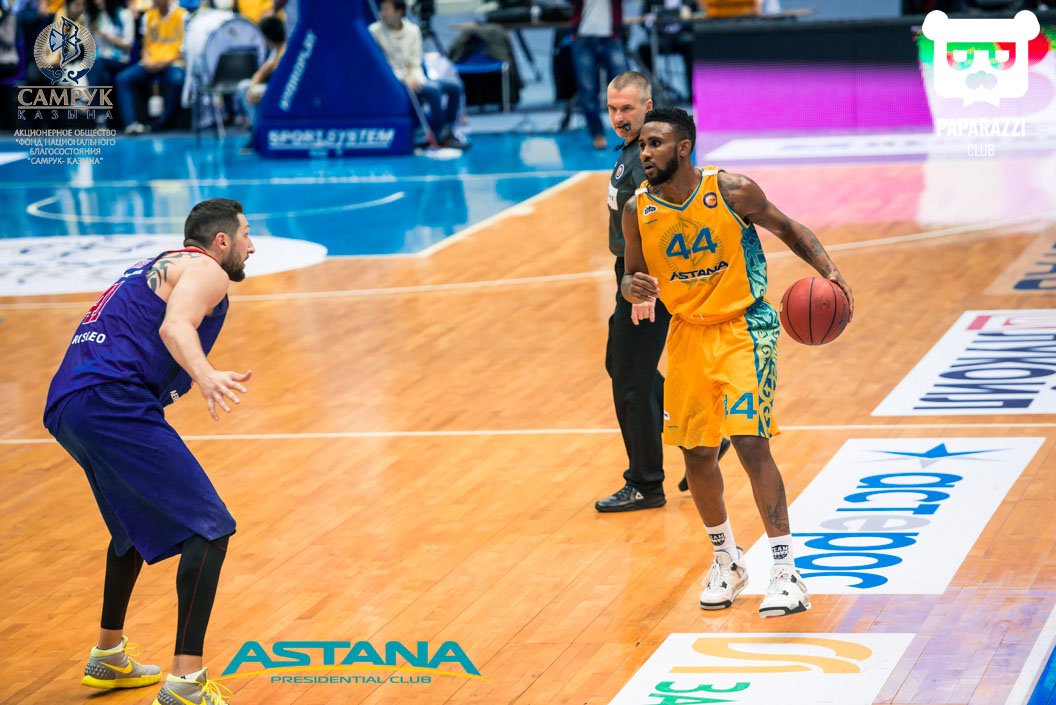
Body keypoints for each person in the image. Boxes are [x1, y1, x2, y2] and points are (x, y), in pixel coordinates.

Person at [620, 108, 853, 617]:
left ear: (684, 147)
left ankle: (786, 572)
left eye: (655, 143)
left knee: (749, 441)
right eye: (642, 145)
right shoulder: (637, 208)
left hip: (745, 328)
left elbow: (789, 229)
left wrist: (831, 273)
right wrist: (631, 287)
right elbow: (633, 275)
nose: (645, 152)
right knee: (697, 454)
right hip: (686, 334)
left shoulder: (731, 190)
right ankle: (727, 560)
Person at [43, 198, 256, 704]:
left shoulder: (157, 265)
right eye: (246, 234)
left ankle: (109, 656)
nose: (252, 246)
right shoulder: (207, 269)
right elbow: (174, 326)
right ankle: (186, 683)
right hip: (111, 401)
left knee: (129, 530)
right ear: (221, 240)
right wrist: (206, 376)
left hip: (69, 404)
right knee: (210, 529)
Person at [595, 71, 730, 513]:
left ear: (647, 107)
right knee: (622, 366)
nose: (619, 116)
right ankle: (703, 435)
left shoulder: (649, 160)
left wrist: (647, 289)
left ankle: (645, 483)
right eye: (612, 108)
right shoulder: (630, 150)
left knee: (631, 381)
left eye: (627, 108)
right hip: (632, 273)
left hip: (646, 278)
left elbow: (668, 222)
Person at [369, 0, 468, 150]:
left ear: (399, 12)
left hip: (416, 77)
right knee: (434, 90)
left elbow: (416, 62)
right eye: (381, 9)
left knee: (455, 85)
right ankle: (439, 134)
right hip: (394, 81)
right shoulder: (374, 31)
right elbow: (381, 65)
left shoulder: (413, 30)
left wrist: (416, 79)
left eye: (386, 10)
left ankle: (448, 130)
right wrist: (404, 79)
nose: (382, 13)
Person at [114, 0, 186, 134]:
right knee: (122, 79)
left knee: (178, 80)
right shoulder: (148, 16)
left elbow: (185, 49)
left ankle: (162, 123)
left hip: (173, 62)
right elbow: (145, 44)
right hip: (150, 63)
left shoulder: (182, 15)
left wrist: (165, 62)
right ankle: (131, 125)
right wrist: (146, 59)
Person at [569, 0, 627, 149]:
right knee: (587, 90)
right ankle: (597, 133)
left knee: (624, 88)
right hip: (583, 37)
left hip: (611, 37)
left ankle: (629, 130)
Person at [86, 0, 135, 91]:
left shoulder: (124, 14)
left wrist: (106, 36)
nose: (96, 2)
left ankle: (87, 96)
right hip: (100, 58)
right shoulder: (98, 16)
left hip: (120, 59)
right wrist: (92, 30)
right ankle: (92, 98)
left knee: (98, 63)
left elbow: (128, 45)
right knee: (103, 75)